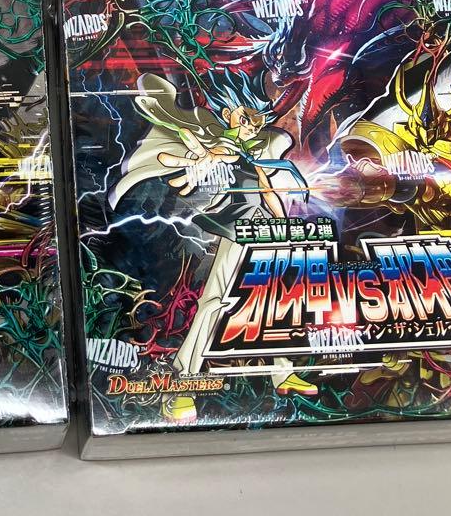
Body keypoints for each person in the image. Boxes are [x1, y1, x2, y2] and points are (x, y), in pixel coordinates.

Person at [111, 73, 318, 423]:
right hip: (237, 230)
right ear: (227, 113)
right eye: (245, 116)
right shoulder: (224, 143)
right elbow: (216, 152)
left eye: (258, 118)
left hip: (263, 229)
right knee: (217, 301)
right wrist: (204, 158)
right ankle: (182, 383)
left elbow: (267, 189)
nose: (253, 124)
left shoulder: (252, 149)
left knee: (271, 298)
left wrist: (284, 225)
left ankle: (282, 373)